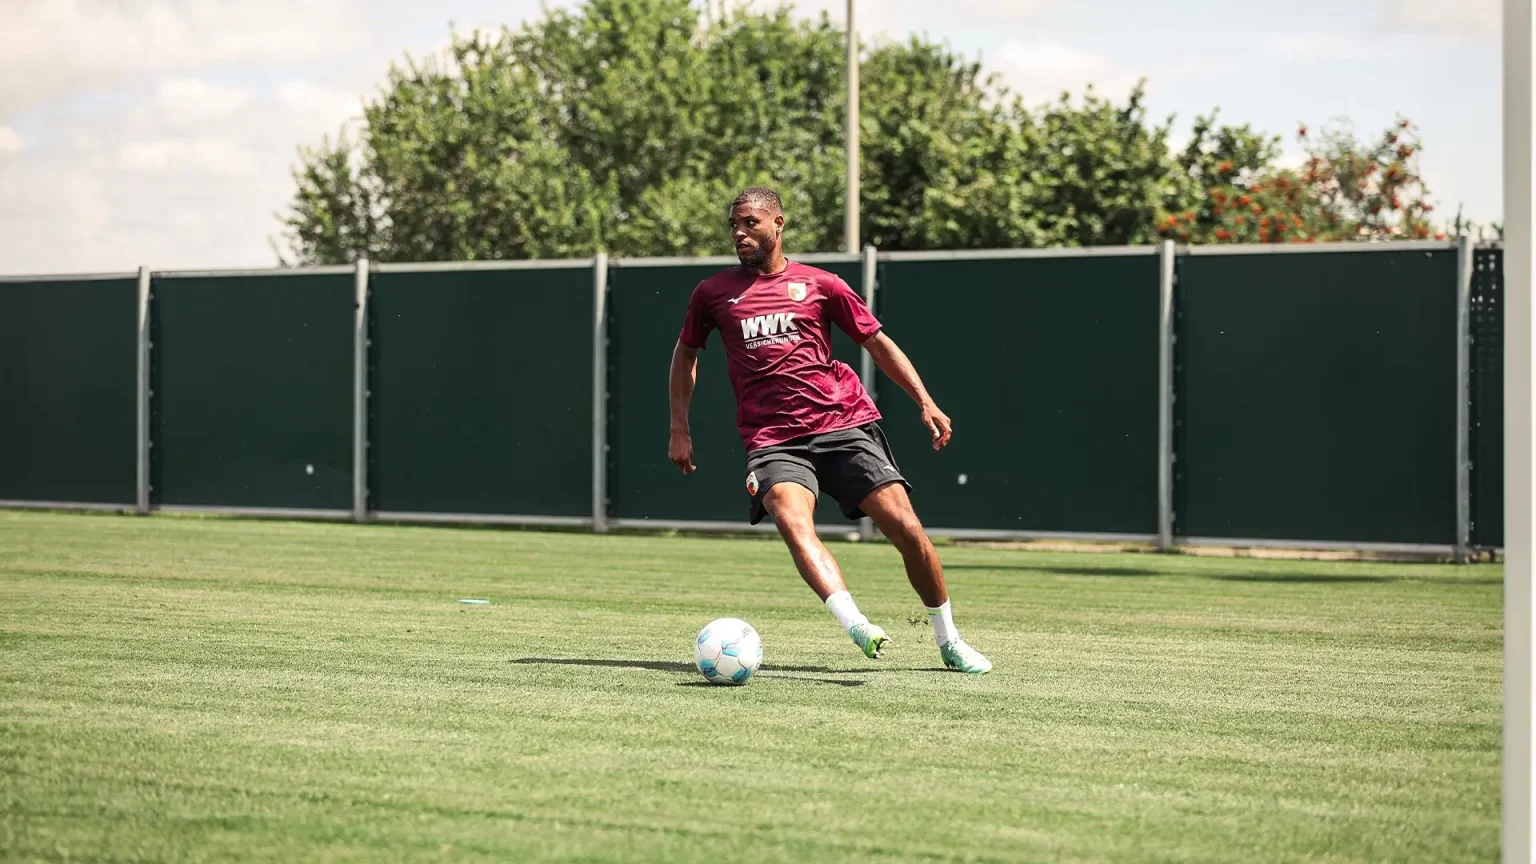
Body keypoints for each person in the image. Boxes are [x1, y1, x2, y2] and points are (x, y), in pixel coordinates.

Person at [666, 187, 992, 674]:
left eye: (751, 222)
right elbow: (686, 355)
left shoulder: (823, 284)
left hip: (843, 423)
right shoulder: (712, 293)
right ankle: (856, 624)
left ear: (778, 224)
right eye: (734, 224)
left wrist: (924, 401)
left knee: (907, 530)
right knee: (792, 520)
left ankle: (949, 639)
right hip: (773, 439)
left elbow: (878, 344)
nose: (739, 232)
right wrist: (679, 427)